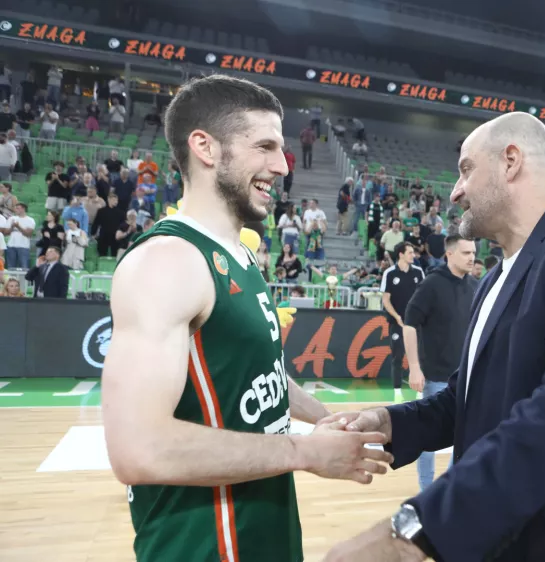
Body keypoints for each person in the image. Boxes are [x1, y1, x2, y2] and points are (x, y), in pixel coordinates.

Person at [323, 112, 545, 562]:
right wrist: (390, 423)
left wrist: (411, 534)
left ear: (510, 161)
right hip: (501, 537)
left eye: (466, 169)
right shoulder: (491, 280)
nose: (455, 191)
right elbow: (468, 399)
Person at [99, 75, 393, 562]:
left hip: (263, 532)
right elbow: (138, 449)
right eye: (265, 146)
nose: (282, 165)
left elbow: (258, 373)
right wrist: (304, 451)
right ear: (205, 147)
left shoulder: (238, 253)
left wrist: (327, 419)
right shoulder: (167, 262)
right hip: (203, 546)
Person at [402, 234, 478, 491]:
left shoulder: (475, 286)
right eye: (466, 253)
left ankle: (448, 489)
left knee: (464, 435)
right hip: (435, 376)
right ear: (450, 254)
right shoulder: (431, 284)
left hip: (466, 377)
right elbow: (409, 324)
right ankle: (427, 490)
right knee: (429, 436)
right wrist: (414, 367)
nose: (472, 257)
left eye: (474, 252)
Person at [380, 241, 425, 401]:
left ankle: (420, 391)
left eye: (413, 252)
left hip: (416, 323)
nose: (413, 255)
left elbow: (423, 296)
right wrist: (397, 317)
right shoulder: (390, 273)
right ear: (401, 254)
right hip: (397, 323)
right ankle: (397, 392)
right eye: (410, 252)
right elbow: (386, 299)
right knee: (397, 356)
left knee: (420, 356)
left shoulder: (418, 272)